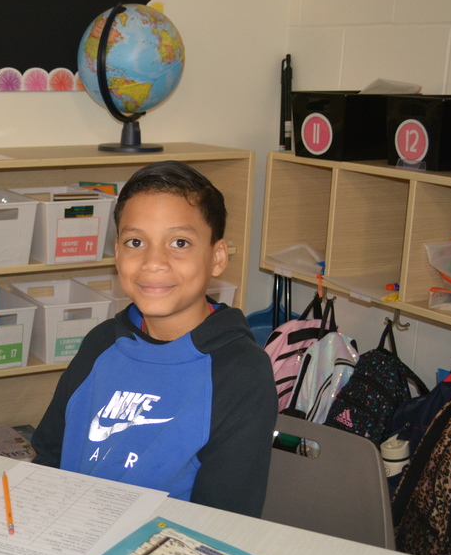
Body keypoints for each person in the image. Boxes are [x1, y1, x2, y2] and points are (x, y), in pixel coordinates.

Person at [31, 161, 276, 517]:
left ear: (217, 257)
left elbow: (225, 518)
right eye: (135, 242)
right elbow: (50, 455)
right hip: (72, 534)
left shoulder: (241, 373)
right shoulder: (101, 344)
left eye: (180, 242)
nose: (153, 262)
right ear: (117, 253)